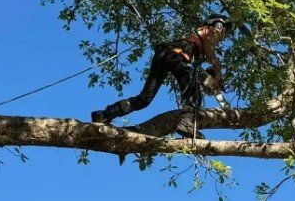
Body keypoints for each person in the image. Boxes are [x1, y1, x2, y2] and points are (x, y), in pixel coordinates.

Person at [90, 15, 233, 124]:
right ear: (219, 25)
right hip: (178, 55)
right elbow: (209, 49)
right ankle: (186, 123)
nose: (223, 37)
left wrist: (210, 80)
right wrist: (218, 72)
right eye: (225, 32)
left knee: (144, 99)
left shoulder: (196, 40)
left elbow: (195, 70)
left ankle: (105, 114)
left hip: (165, 55)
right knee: (194, 93)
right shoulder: (210, 30)